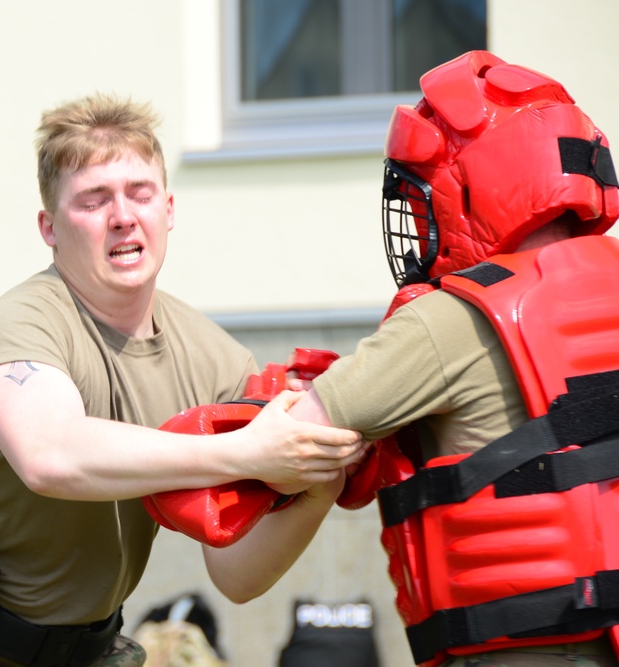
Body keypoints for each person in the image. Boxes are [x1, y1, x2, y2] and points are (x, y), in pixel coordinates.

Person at [0, 92, 364, 667]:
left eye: (139, 193)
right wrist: (245, 449)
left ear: (168, 210)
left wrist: (319, 483)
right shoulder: (23, 320)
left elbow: (236, 574)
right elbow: (49, 456)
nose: (123, 215)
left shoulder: (214, 358)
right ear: (49, 227)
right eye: (93, 200)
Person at [197, 50, 619, 666]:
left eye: (426, 195)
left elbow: (289, 438)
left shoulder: (450, 319)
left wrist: (203, 437)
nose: (419, 220)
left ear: (479, 186)